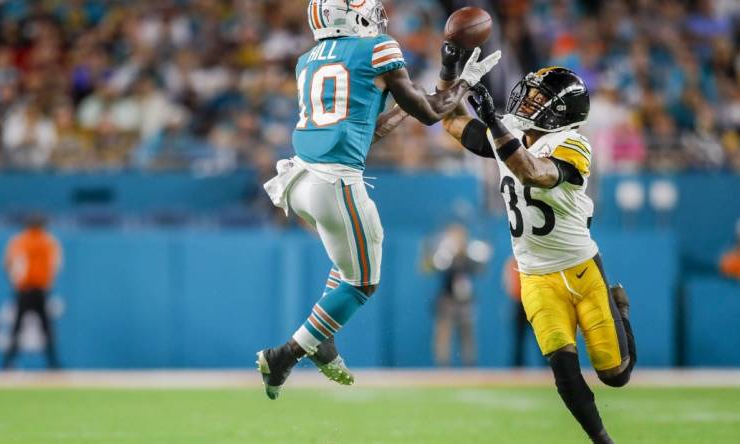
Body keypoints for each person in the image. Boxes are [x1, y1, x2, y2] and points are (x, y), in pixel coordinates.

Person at [255, 0, 501, 400]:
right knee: (362, 282)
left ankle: (325, 339)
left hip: (299, 179)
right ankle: (285, 355)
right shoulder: (378, 48)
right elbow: (430, 112)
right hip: (335, 181)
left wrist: (414, 105)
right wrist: (463, 82)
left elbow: (369, 129)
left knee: (346, 260)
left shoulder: (307, 60)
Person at [439, 58, 636, 443]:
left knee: (616, 374)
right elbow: (449, 120)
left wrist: (495, 124)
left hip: (581, 269)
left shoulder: (574, 143)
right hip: (534, 275)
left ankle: (622, 313)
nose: (526, 103)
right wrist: (452, 72)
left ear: (562, 111)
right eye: (528, 95)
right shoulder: (513, 132)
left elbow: (534, 171)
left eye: (538, 98)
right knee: (563, 368)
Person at [2, 214, 63, 370]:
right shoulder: (48, 242)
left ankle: (7, 363)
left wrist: (15, 281)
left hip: (24, 290)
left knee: (17, 328)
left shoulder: (19, 241)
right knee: (46, 328)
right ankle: (53, 364)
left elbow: (9, 264)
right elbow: (55, 265)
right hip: (40, 290)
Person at [429, 223, 486, 367]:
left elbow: (479, 271)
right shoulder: (445, 253)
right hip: (448, 301)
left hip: (465, 302)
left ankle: (469, 364)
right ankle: (443, 365)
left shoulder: (469, 254)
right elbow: (436, 267)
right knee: (444, 335)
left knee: (467, 335)